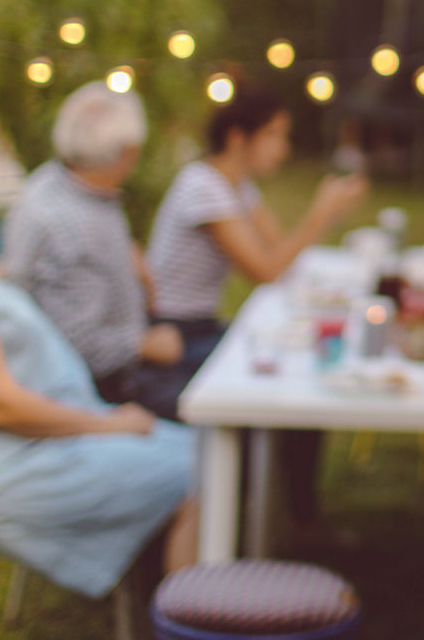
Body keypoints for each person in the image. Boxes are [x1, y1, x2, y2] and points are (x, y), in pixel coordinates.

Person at [146, 84, 366, 539]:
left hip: (199, 327)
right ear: (237, 139)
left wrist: (322, 219)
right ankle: (277, 520)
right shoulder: (202, 187)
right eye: (275, 136)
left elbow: (280, 256)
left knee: (303, 373)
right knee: (290, 379)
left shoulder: (236, 187)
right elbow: (266, 270)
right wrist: (320, 215)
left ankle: (294, 516)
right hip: (174, 334)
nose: (283, 150)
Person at [3, 82, 194, 420]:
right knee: (233, 408)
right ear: (128, 152)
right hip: (103, 391)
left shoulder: (54, 182)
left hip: (124, 359)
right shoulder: (70, 222)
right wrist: (145, 343)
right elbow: (74, 346)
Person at [0, 279, 197, 600]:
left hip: (58, 439)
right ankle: (194, 622)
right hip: (27, 465)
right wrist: (107, 424)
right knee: (202, 472)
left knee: (207, 450)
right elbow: (5, 408)